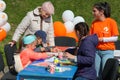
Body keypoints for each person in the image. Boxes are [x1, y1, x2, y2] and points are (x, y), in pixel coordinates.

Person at [89, 2, 119, 78]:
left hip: (108, 51)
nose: (93, 13)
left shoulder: (111, 22)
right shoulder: (94, 23)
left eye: (94, 11)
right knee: (96, 74)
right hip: (96, 51)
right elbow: (91, 37)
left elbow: (115, 38)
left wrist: (103, 39)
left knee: (105, 73)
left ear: (101, 12)